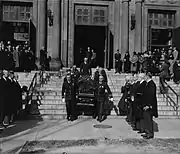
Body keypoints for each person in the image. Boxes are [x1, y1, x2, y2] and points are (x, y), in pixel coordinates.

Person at [141, 72, 158, 139]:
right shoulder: (147, 84)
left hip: (149, 106)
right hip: (145, 105)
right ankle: (147, 131)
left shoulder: (151, 84)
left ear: (148, 76)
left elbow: (151, 96)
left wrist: (148, 105)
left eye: (145, 76)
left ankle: (150, 133)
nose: (144, 77)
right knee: (146, 119)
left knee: (148, 119)